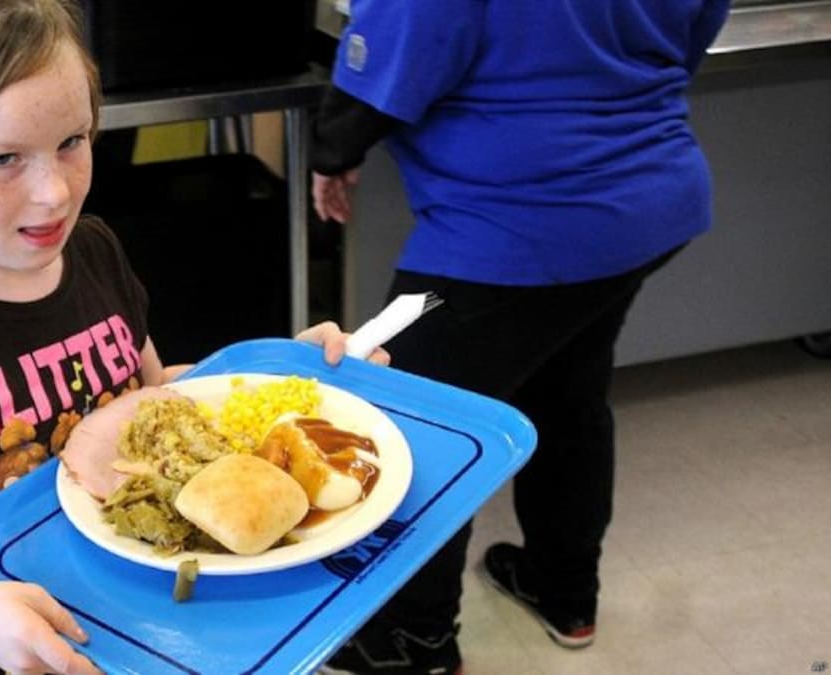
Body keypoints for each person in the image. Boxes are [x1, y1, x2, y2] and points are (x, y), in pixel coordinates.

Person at [0, 2, 386, 673]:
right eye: (3, 158)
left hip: (148, 617)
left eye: (73, 141)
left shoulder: (93, 249)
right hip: (13, 648)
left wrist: (290, 378)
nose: (54, 192)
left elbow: (154, 395)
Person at [310, 2, 732, 674]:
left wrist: (334, 148)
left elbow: (395, 52)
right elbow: (698, 26)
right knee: (568, 391)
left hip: (511, 228)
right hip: (649, 199)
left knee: (419, 434)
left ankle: (410, 644)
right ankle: (563, 589)